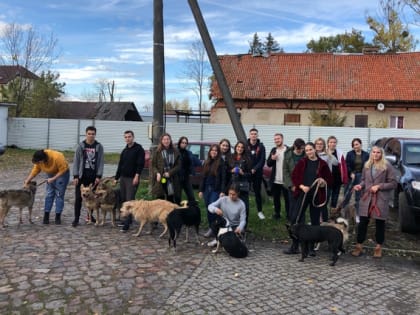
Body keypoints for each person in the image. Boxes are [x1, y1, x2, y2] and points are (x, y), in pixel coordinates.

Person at [284, 142, 332, 255]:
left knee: (315, 221)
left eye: (310, 149)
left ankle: (311, 247)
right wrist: (301, 186)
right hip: (303, 193)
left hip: (316, 195)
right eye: (307, 150)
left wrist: (323, 182)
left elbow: (329, 179)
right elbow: (294, 176)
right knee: (297, 218)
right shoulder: (302, 162)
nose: (309, 152)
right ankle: (295, 245)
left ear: (315, 149)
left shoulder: (322, 164)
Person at [351, 146, 397, 258]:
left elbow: (393, 183)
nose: (375, 154)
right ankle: (359, 246)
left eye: (378, 152)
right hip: (366, 198)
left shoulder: (387, 166)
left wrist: (379, 186)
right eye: (373, 152)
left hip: (380, 199)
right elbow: (363, 180)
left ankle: (378, 247)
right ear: (371, 153)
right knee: (362, 223)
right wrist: (359, 186)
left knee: (379, 224)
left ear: (381, 154)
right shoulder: (367, 166)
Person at [24, 149, 70, 225]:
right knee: (49, 194)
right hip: (50, 173)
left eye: (39, 162)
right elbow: (36, 170)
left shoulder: (58, 157)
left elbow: (63, 170)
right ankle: (46, 215)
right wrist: (27, 180)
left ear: (43, 159)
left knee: (59, 194)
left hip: (62, 174)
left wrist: (53, 179)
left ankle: (57, 216)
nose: (38, 163)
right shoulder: (38, 160)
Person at [72, 126, 104, 227]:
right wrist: (76, 176)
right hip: (82, 176)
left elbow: (101, 162)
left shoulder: (98, 146)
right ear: (86, 134)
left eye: (93, 134)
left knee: (92, 198)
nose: (91, 136)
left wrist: (99, 175)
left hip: (93, 177)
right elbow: (76, 161)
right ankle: (76, 218)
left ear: (95, 134)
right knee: (78, 198)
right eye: (89, 134)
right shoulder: (81, 146)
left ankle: (90, 216)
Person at [115, 130, 145, 232]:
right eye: (126, 137)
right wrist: (116, 178)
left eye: (129, 137)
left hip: (132, 178)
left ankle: (127, 225)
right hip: (123, 178)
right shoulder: (125, 150)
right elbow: (120, 165)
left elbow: (140, 164)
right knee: (124, 200)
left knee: (129, 200)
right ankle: (126, 219)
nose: (128, 139)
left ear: (133, 137)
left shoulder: (138, 149)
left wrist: (137, 176)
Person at [198, 144, 226, 238]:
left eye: (216, 150)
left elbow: (223, 178)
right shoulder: (207, 162)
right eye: (212, 150)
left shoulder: (221, 163)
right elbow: (203, 177)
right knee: (208, 208)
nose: (214, 152)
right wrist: (201, 190)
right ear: (210, 152)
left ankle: (213, 229)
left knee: (213, 209)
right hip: (206, 189)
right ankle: (212, 227)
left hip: (215, 189)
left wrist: (222, 191)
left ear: (218, 153)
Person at [151, 133, 181, 203]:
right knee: (159, 199)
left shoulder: (176, 151)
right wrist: (157, 173)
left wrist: (169, 173)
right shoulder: (157, 151)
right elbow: (153, 165)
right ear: (161, 141)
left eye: (168, 139)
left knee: (170, 199)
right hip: (160, 178)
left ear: (170, 140)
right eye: (164, 139)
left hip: (172, 179)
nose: (166, 141)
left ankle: (170, 213)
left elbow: (178, 166)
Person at [345, 138, 369, 223]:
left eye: (357, 144)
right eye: (354, 145)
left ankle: (358, 215)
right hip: (351, 176)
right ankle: (346, 215)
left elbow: (368, 166)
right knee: (347, 195)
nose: (355, 146)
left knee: (359, 197)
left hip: (361, 176)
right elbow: (346, 165)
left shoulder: (366, 154)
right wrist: (351, 172)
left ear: (360, 144)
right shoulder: (349, 154)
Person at [314, 137, 338, 222]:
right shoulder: (312, 154)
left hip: (326, 182)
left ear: (324, 145)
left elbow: (336, 163)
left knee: (324, 203)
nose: (319, 145)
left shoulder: (327, 155)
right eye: (317, 144)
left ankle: (324, 221)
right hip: (315, 183)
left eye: (321, 144)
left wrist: (330, 154)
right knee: (315, 202)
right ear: (315, 145)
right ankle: (316, 220)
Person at [229, 140, 252, 227]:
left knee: (244, 208)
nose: (240, 149)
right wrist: (231, 170)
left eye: (242, 147)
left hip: (243, 187)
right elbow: (226, 171)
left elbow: (250, 175)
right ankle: (233, 226)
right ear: (235, 147)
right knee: (232, 207)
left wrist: (243, 173)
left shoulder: (247, 159)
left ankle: (243, 227)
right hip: (232, 186)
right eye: (238, 147)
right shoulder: (230, 157)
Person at [282, 138, 305, 222]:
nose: (300, 151)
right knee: (292, 205)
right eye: (298, 149)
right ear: (294, 146)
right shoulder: (288, 154)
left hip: (303, 185)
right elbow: (285, 171)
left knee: (302, 205)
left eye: (302, 149)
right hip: (292, 185)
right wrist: (291, 185)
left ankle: (301, 224)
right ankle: (292, 224)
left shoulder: (305, 154)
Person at [266, 133, 288, 220]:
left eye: (278, 139)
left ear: (282, 139)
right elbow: (268, 164)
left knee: (287, 199)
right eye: (275, 139)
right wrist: (272, 159)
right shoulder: (273, 150)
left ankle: (288, 215)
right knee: (276, 199)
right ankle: (277, 214)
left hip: (286, 180)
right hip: (275, 180)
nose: (276, 141)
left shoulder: (288, 150)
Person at [247, 128, 266, 220]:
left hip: (257, 174)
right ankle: (244, 210)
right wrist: (249, 169)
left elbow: (262, 160)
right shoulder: (245, 145)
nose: (253, 135)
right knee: (244, 191)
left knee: (257, 193)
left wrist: (255, 169)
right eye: (252, 134)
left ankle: (259, 211)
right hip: (247, 173)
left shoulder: (261, 146)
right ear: (249, 135)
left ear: (257, 135)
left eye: (255, 134)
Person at [326, 136, 348, 208]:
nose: (333, 144)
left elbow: (343, 166)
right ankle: (323, 213)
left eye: (334, 142)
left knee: (335, 197)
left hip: (337, 178)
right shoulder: (324, 152)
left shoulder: (339, 153)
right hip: (327, 178)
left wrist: (344, 178)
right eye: (331, 142)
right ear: (328, 143)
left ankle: (332, 212)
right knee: (326, 196)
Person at [177, 136, 201, 203]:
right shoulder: (176, 152)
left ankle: (191, 210)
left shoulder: (189, 153)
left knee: (191, 196)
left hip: (186, 177)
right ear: (179, 143)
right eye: (182, 142)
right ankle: (178, 211)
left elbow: (198, 162)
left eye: (185, 143)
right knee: (177, 198)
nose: (184, 144)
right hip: (178, 178)